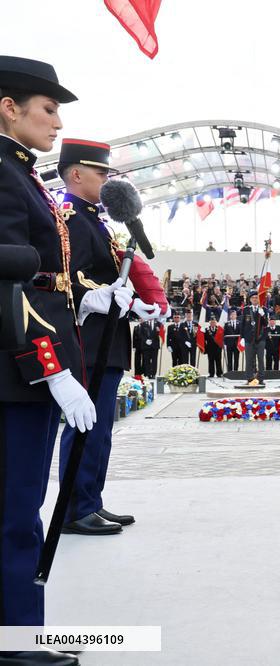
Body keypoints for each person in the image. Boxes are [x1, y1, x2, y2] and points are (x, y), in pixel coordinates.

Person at [0, 55, 96, 666]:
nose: (57, 122)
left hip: (27, 367)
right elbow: (11, 283)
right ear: (9, 108)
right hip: (18, 372)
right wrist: (49, 367)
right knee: (15, 509)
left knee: (20, 503)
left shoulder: (20, 173)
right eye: (48, 109)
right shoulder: (5, 176)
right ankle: (16, 636)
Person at [57, 138, 161, 535]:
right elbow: (67, 279)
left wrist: (134, 303)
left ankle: (90, 501)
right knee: (85, 427)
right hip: (89, 338)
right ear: (77, 174)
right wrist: (96, 297)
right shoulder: (69, 219)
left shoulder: (97, 222)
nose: (106, 181)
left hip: (110, 338)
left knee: (100, 430)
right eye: (101, 174)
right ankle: (73, 508)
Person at [240, 293, 267, 376]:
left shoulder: (263, 309)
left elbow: (266, 324)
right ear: (250, 299)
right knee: (249, 360)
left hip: (260, 339)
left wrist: (263, 315)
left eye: (256, 298)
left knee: (261, 359)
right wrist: (242, 337)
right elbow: (243, 324)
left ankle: (261, 378)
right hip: (249, 338)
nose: (255, 299)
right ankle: (249, 378)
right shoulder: (246, 310)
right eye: (253, 298)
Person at [223, 308, 241, 373]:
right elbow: (224, 334)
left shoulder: (240, 323)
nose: (233, 315)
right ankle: (229, 372)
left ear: (236, 315)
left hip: (237, 344)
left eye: (234, 314)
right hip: (229, 344)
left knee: (236, 358)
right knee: (229, 358)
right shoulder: (227, 324)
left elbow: (241, 333)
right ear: (230, 316)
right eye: (232, 314)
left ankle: (236, 371)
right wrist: (225, 344)